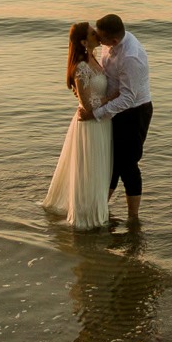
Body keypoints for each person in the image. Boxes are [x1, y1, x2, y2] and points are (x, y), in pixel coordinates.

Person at [84, 13, 153, 225]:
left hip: (134, 112)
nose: (97, 39)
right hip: (112, 108)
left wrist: (95, 113)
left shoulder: (131, 57)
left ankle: (133, 218)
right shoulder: (108, 42)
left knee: (128, 164)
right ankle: (102, 208)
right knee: (111, 162)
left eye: (100, 37)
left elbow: (127, 98)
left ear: (114, 40)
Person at [42, 22, 112, 230]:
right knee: (90, 169)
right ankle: (86, 215)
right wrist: (113, 98)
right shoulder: (81, 67)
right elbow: (88, 104)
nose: (97, 34)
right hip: (89, 125)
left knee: (100, 169)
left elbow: (93, 94)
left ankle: (96, 208)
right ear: (83, 41)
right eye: (92, 33)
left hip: (102, 122)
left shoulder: (96, 60)